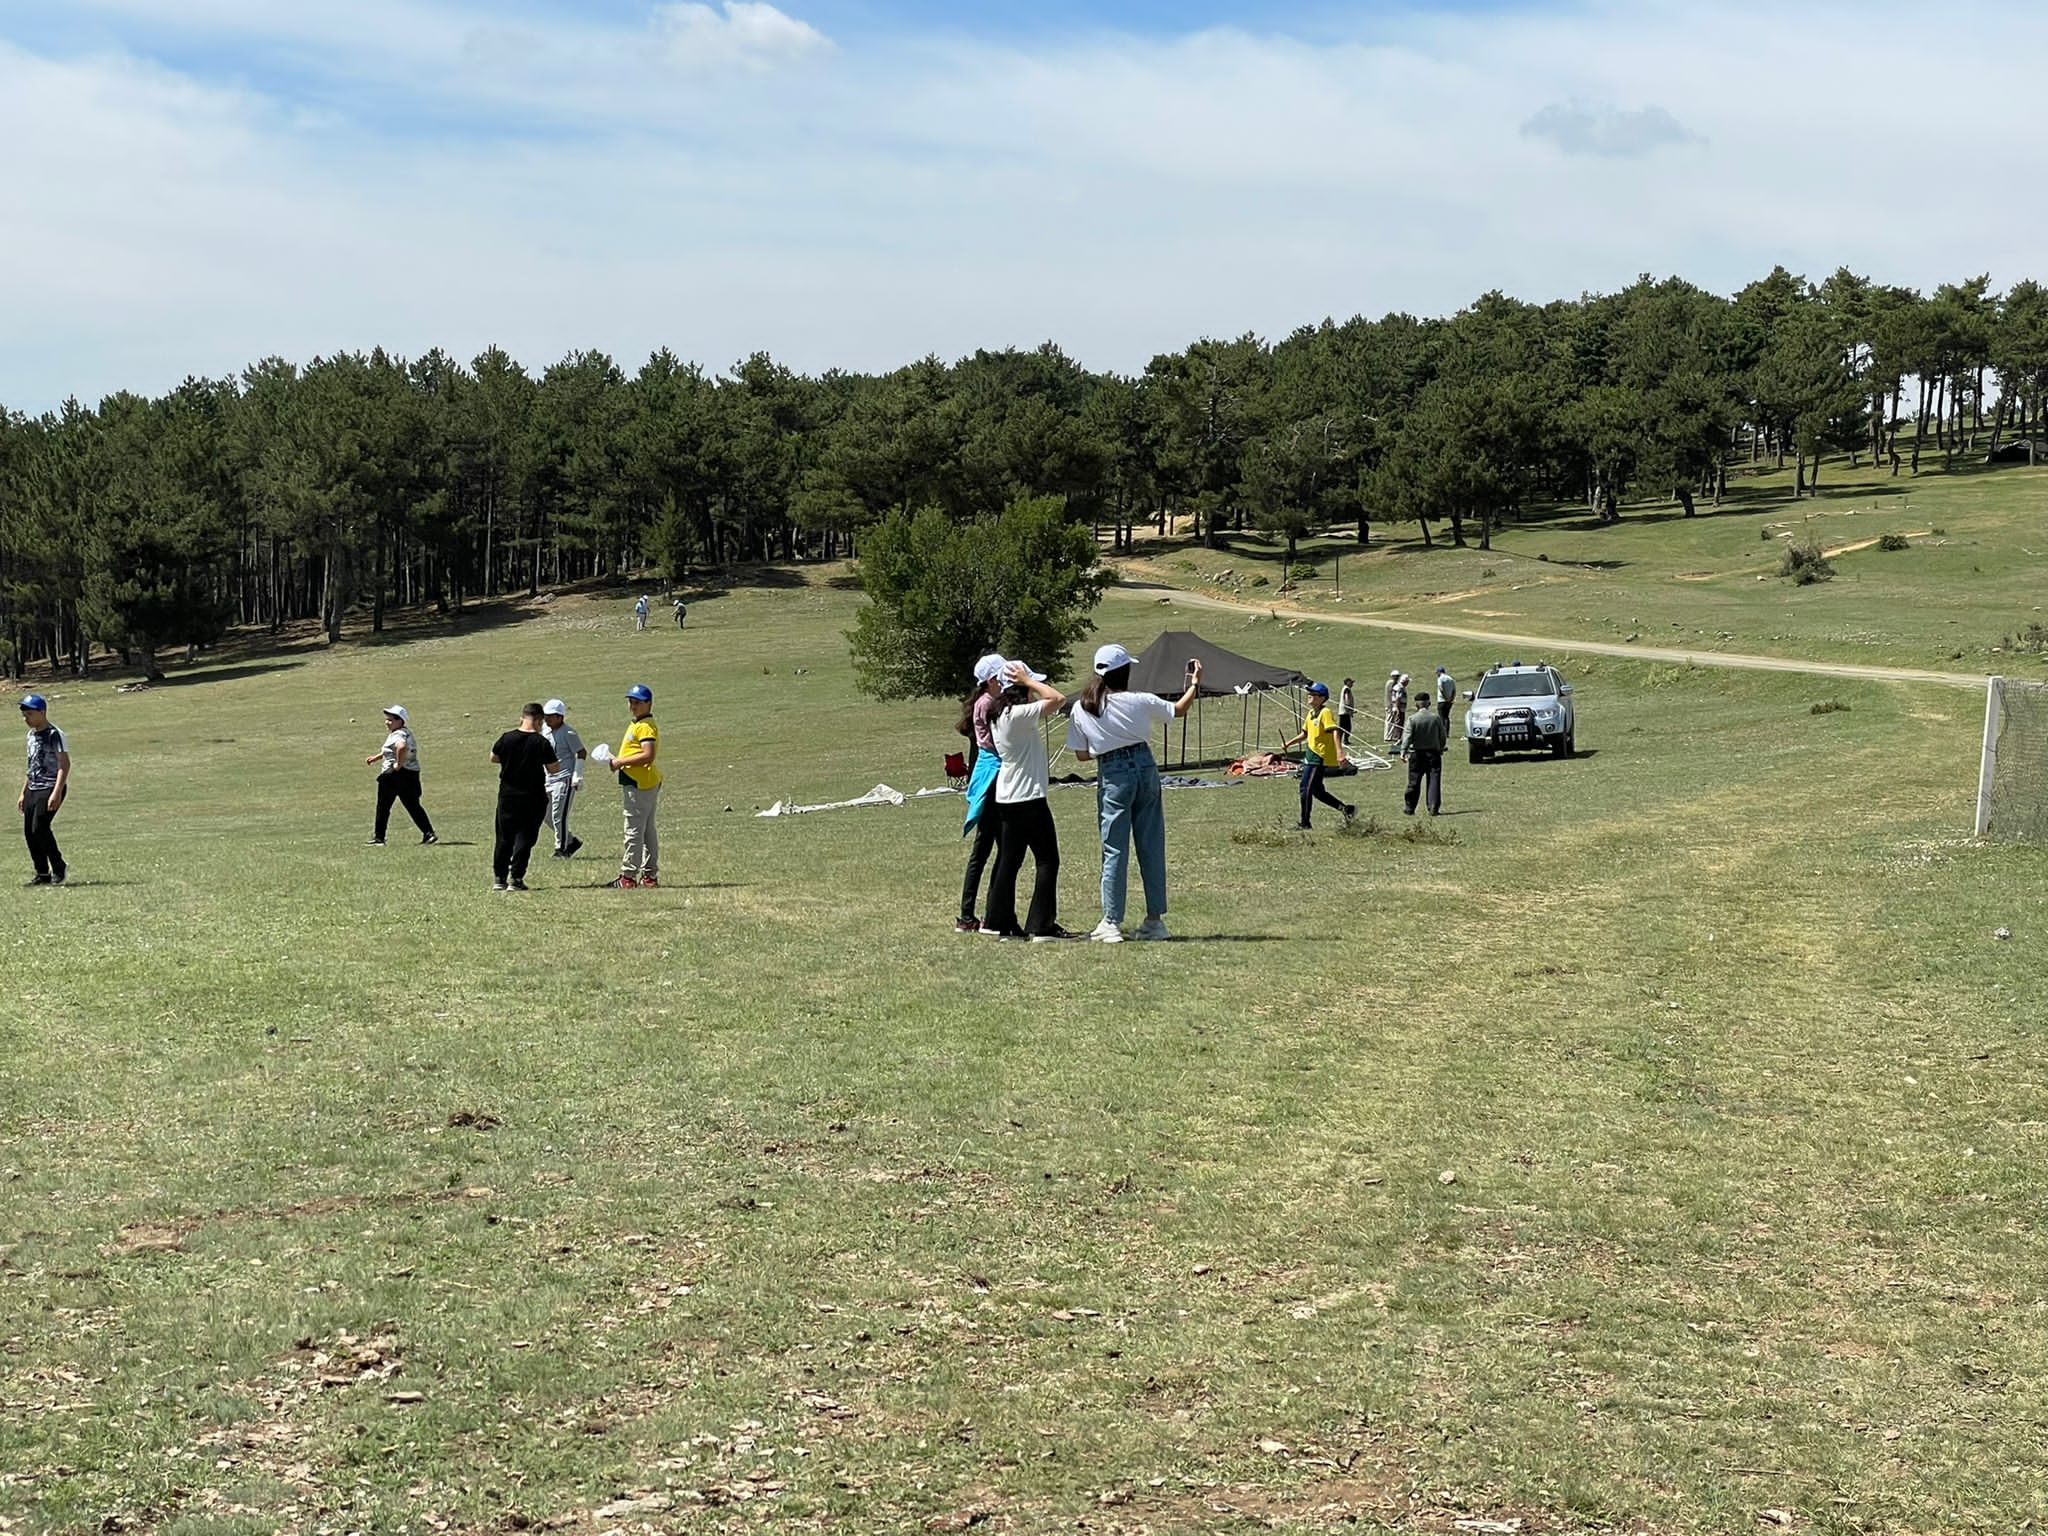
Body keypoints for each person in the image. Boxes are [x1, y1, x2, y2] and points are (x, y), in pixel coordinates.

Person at [1064, 643, 1202, 943]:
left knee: (1114, 849)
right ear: (1125, 672)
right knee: (1151, 845)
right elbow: (1179, 710)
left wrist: (1104, 743)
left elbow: (1081, 755)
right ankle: (1155, 921)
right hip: (1144, 765)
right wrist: (1194, 683)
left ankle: (1112, 921)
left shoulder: (1082, 706)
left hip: (1113, 773)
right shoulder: (1139, 700)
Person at [981, 661, 1073, 942]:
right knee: (1047, 860)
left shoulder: (1000, 714)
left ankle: (1000, 922)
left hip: (1008, 797)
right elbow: (1058, 699)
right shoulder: (1018, 714)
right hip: (1028, 797)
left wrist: (1024, 682)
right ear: (1020, 689)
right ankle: (1041, 925)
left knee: (1010, 860)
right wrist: (1028, 681)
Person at [955, 653, 1008, 935]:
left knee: (982, 851)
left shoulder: (979, 702)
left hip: (984, 779)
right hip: (993, 780)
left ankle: (967, 915)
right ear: (990, 680)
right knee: (1000, 849)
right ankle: (991, 914)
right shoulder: (989, 704)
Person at [489, 702, 563, 891]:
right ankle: (516, 878)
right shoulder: (541, 742)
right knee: (525, 837)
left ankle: (499, 878)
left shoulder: (507, 738)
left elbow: (493, 757)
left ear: (522, 717)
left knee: (504, 837)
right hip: (533, 796)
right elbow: (554, 769)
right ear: (538, 721)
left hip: (508, 796)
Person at [1280, 682, 1356, 830]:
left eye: (1313, 694)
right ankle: (1347, 809)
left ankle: (1305, 823)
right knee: (1317, 791)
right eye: (1309, 693)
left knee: (1305, 788)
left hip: (1318, 757)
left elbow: (1335, 731)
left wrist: (1340, 753)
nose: (1309, 696)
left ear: (1322, 698)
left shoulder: (1325, 712)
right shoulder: (1310, 714)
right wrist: (1289, 743)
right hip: (1310, 755)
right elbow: (1305, 734)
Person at [609, 683, 662, 889]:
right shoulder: (639, 723)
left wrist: (620, 762)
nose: (632, 705)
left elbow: (648, 755)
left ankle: (628, 876)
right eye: (631, 701)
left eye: (637, 702)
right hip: (642, 781)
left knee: (633, 830)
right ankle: (649, 876)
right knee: (647, 831)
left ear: (648, 703)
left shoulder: (645, 726)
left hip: (639, 783)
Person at [365, 704, 437, 847]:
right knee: (413, 805)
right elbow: (392, 750)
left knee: (383, 807)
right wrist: (376, 757)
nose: (387, 722)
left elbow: (401, 746)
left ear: (400, 721)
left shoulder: (398, 734)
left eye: (390, 720)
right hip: (410, 775)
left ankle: (379, 838)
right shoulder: (406, 732)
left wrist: (398, 764)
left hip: (394, 776)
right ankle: (429, 834)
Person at [18, 694, 69, 887]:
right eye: (24, 715)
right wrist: (23, 792)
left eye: (29, 714)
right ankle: (42, 873)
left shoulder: (55, 734)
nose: (26, 718)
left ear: (42, 712)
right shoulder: (31, 735)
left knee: (40, 827)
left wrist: (57, 792)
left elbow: (64, 764)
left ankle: (59, 867)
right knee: (30, 833)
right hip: (33, 787)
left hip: (50, 787)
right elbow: (32, 765)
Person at [542, 699, 586, 859]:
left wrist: (577, 774)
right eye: (546, 716)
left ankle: (560, 849)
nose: (547, 720)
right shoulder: (545, 731)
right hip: (548, 779)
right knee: (544, 815)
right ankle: (570, 841)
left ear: (560, 717)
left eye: (551, 716)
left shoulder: (569, 733)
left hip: (564, 779)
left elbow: (581, 752)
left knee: (558, 815)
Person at [1400, 691, 1449, 817]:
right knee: (1434, 780)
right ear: (1429, 703)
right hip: (1433, 754)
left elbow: (1407, 737)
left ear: (1416, 705)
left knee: (1414, 781)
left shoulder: (1412, 719)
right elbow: (1442, 736)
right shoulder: (1436, 718)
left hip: (1417, 754)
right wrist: (1441, 748)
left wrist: (1403, 751)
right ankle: (1433, 807)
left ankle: (1410, 807)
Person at [1383, 670, 1402, 744]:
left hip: (1391, 705)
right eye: (1396, 676)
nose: (1397, 678)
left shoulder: (1392, 683)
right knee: (1389, 720)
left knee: (1392, 720)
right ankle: (1387, 736)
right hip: (1389, 705)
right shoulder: (1391, 683)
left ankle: (1391, 735)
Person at [1337, 678, 1356, 747]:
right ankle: (1342, 740)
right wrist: (1349, 709)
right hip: (1345, 712)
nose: (1352, 684)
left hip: (1344, 711)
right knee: (1345, 727)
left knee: (1344, 727)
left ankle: (1344, 740)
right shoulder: (1346, 689)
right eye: (1351, 683)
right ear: (1347, 683)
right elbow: (1346, 699)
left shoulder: (1345, 689)